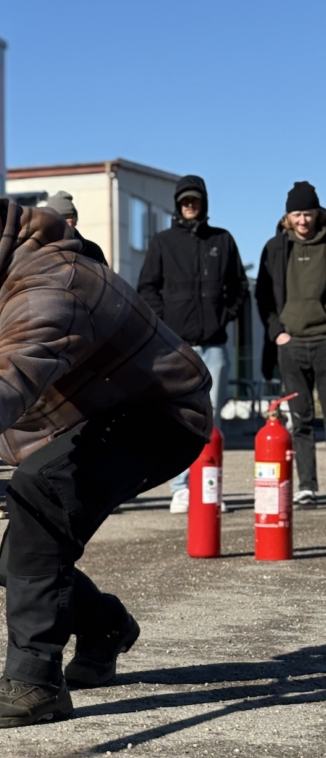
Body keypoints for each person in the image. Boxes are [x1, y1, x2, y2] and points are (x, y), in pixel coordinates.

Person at [0, 170, 211, 728]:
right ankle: (106, 626)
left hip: (160, 414)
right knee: (15, 560)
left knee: (39, 492)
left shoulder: (49, 281)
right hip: (98, 415)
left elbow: (13, 370)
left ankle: (36, 683)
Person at [137, 175, 248, 514]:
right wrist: (166, 325)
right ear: (177, 205)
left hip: (214, 345)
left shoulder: (222, 240)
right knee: (179, 419)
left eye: (195, 201)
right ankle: (181, 489)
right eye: (185, 201)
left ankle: (209, 486)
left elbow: (240, 288)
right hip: (176, 349)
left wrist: (223, 317)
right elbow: (147, 289)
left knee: (211, 421)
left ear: (204, 204)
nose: (190, 206)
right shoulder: (162, 242)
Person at [255, 181, 326, 509]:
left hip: (324, 341)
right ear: (288, 216)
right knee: (301, 420)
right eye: (296, 214)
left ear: (317, 212)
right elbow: (264, 296)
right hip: (291, 344)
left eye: (308, 213)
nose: (303, 220)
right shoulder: (275, 247)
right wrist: (276, 332)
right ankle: (307, 486)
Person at [43, 191, 108, 266]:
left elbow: (107, 277)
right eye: (64, 218)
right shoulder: (38, 250)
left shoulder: (92, 251)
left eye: (72, 217)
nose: (70, 223)